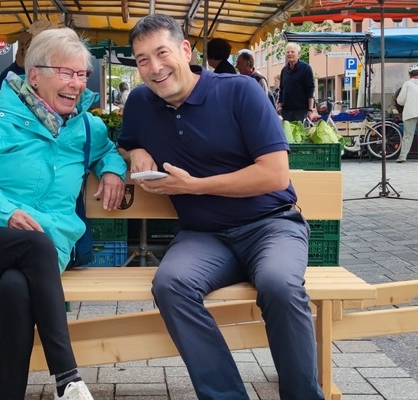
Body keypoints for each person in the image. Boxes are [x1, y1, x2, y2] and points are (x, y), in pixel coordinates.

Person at [118, 14, 324, 400]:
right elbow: (123, 141)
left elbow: (276, 175)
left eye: (161, 53)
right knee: (170, 284)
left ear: (185, 50)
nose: (154, 68)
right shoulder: (141, 102)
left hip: (271, 225)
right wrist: (136, 150)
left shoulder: (241, 91)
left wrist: (194, 187)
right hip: (204, 236)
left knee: (279, 285)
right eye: (142, 59)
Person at [0, 27, 127, 400]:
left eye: (82, 74)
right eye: (66, 73)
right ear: (34, 75)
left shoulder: (87, 126)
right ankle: (67, 378)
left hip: (46, 253)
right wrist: (6, 213)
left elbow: (107, 152)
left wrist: (113, 169)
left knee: (16, 288)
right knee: (35, 246)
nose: (77, 84)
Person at [278, 42, 315, 123]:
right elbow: (282, 89)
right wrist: (279, 106)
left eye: (292, 52)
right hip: (286, 110)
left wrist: (310, 110)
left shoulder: (306, 68)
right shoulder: (284, 70)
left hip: (300, 110)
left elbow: (310, 89)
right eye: (287, 52)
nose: (290, 54)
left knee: (299, 133)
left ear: (298, 54)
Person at [395, 64, 418, 163]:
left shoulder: (407, 84)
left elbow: (400, 100)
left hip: (410, 112)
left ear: (410, 74)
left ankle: (403, 157)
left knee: (408, 135)